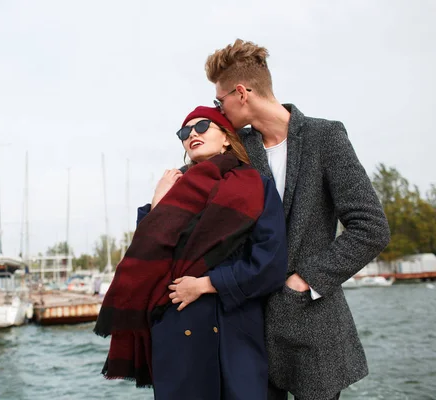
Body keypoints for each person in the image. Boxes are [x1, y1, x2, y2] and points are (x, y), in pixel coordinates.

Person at [204, 39, 391, 400]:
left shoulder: (325, 137)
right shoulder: (236, 149)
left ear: (241, 92)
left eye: (219, 100)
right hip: (249, 332)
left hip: (314, 329)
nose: (218, 109)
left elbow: (371, 228)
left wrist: (304, 281)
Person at [94, 106, 288, 399]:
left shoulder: (256, 186)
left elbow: (270, 263)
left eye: (202, 127)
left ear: (226, 137)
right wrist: (157, 204)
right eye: (185, 132)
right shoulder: (171, 192)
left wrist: (206, 284)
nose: (192, 135)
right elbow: (147, 259)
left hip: (233, 329)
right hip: (176, 330)